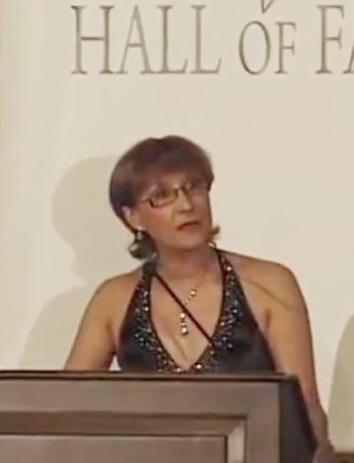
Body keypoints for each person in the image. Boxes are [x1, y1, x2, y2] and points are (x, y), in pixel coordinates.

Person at [64, 135, 337, 462]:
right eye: (162, 196)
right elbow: (68, 408)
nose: (186, 205)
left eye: (193, 187)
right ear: (133, 217)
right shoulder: (113, 299)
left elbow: (305, 408)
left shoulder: (269, 283)